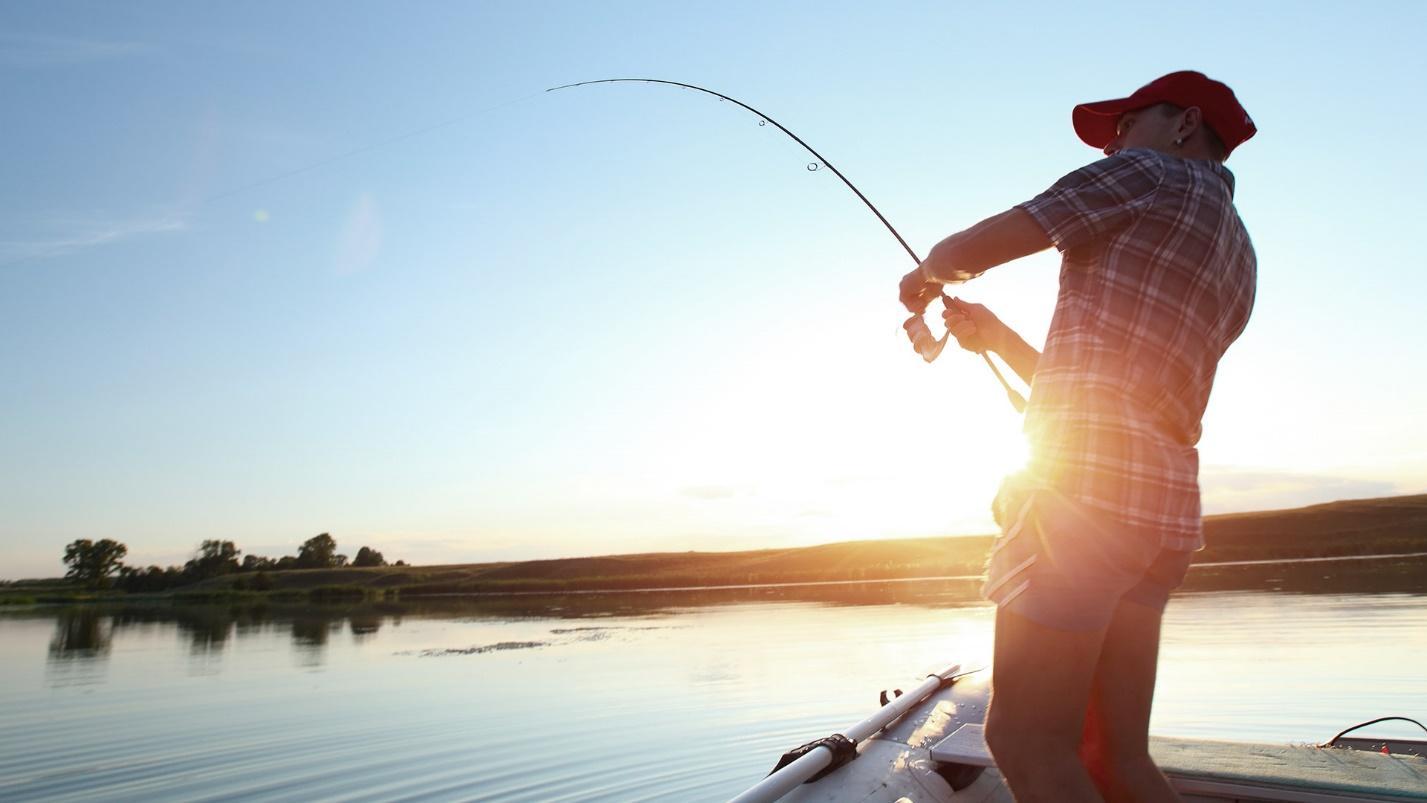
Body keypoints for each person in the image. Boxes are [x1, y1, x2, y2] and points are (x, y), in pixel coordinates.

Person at [897, 71, 1257, 802]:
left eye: (1125, 124)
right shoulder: (1238, 251)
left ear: (1184, 124)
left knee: (1024, 741)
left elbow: (974, 246)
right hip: (1159, 514)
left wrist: (928, 274)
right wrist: (995, 337)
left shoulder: (1145, 172)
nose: (1116, 141)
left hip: (1083, 503)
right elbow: (1116, 389)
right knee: (1115, 755)